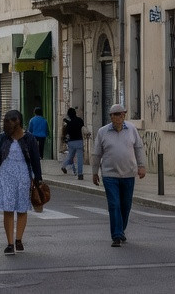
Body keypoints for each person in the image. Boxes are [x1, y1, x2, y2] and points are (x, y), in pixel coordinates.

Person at [0, 110, 43, 255]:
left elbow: (35, 159)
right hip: (6, 176)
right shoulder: (2, 137)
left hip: (23, 176)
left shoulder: (29, 138)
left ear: (19, 122)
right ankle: (10, 243)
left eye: (11, 121)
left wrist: (38, 178)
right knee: (8, 209)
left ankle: (18, 240)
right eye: (7, 121)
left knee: (22, 208)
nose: (8, 125)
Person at [93, 104, 146, 246]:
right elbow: (97, 154)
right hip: (110, 175)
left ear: (124, 115)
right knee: (114, 204)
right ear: (111, 117)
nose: (118, 117)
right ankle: (116, 235)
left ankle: (121, 230)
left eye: (121, 114)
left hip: (128, 174)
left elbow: (138, 148)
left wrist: (141, 166)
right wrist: (94, 172)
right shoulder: (102, 132)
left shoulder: (132, 129)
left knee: (126, 205)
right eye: (115, 114)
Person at [61, 108, 86, 180]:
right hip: (79, 141)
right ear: (75, 113)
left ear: (69, 115)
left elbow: (66, 131)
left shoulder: (68, 123)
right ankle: (80, 174)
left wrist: (66, 121)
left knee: (70, 156)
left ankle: (63, 166)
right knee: (80, 159)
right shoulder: (80, 120)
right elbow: (82, 126)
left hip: (71, 142)